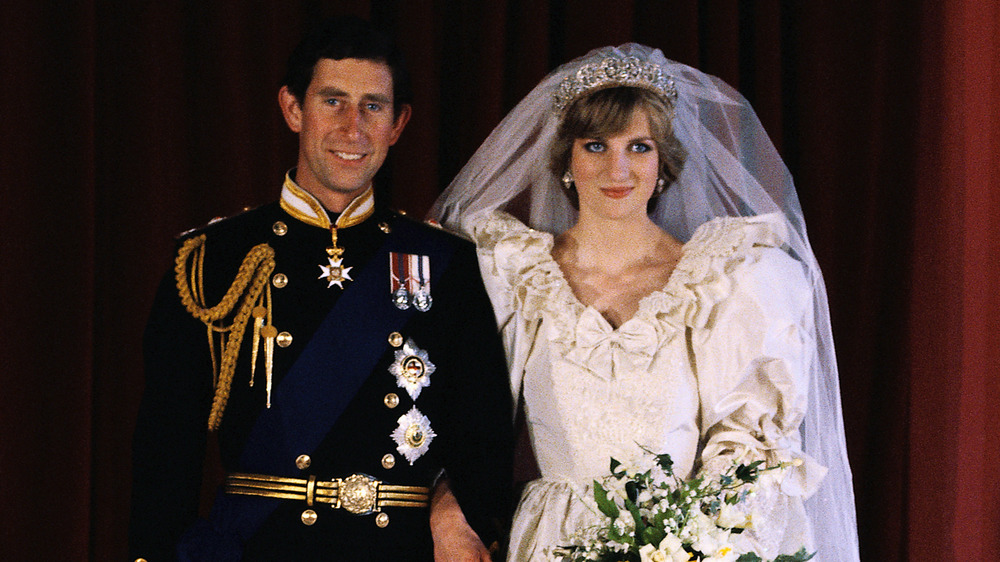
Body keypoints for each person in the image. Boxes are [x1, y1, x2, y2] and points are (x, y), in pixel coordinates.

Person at [431, 44, 860, 561]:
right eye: (595, 146)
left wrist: (689, 540)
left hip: (682, 544)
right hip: (551, 544)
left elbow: (748, 450)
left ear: (663, 163)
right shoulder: (512, 274)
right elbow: (460, 418)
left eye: (639, 147)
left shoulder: (727, 283)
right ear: (566, 159)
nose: (619, 168)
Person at [129, 16, 512, 561]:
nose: (353, 128)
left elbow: (484, 436)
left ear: (398, 123)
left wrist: (456, 512)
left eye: (373, 106)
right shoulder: (213, 259)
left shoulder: (443, 261)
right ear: (293, 109)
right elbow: (166, 450)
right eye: (333, 101)